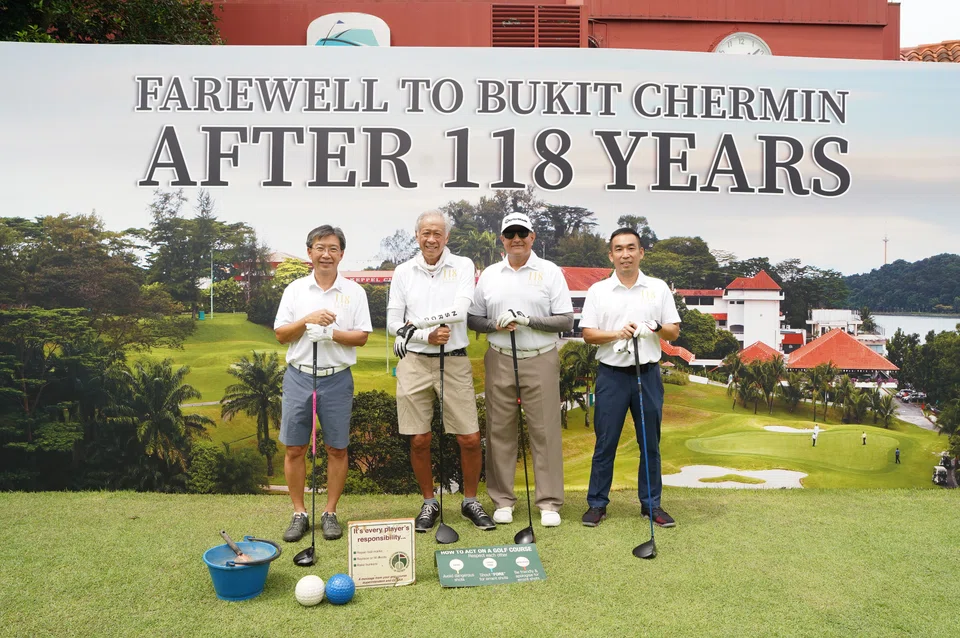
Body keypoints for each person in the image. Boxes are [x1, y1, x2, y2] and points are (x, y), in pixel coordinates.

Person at [388, 210, 495, 532]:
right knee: (419, 439)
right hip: (415, 361)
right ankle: (429, 502)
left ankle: (470, 501)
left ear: (446, 237)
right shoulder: (403, 271)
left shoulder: (462, 265)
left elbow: (462, 309)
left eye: (437, 233)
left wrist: (419, 327)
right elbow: (393, 321)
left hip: (455, 358)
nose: (431, 239)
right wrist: (423, 335)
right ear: (417, 236)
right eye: (425, 233)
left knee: (470, 438)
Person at [468, 212, 573, 528]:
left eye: (522, 233)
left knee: (545, 431)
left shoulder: (549, 272)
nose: (516, 239)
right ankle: (502, 500)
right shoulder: (490, 274)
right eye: (510, 233)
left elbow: (566, 320)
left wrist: (528, 320)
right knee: (499, 431)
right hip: (499, 356)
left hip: (540, 357)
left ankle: (549, 502)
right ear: (502, 239)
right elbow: (474, 318)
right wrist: (494, 325)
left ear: (533, 237)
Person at [578, 228, 682, 528]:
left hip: (647, 374)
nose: (625, 254)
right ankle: (597, 504)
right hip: (611, 375)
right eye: (619, 249)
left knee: (650, 443)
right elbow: (588, 335)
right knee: (605, 442)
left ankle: (652, 505)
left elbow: (673, 330)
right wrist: (617, 333)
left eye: (631, 248)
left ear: (641, 252)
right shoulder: (599, 291)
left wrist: (655, 326)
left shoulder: (658, 288)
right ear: (611, 255)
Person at [274, 225, 372, 543]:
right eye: (319, 247)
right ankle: (299, 513)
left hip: (337, 378)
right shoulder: (295, 290)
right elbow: (280, 334)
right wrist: (308, 321)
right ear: (309, 253)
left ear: (341, 254)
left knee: (337, 448)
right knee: (294, 447)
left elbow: (361, 337)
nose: (326, 254)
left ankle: (329, 512)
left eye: (332, 248)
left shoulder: (354, 292)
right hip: (299, 375)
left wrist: (330, 332)